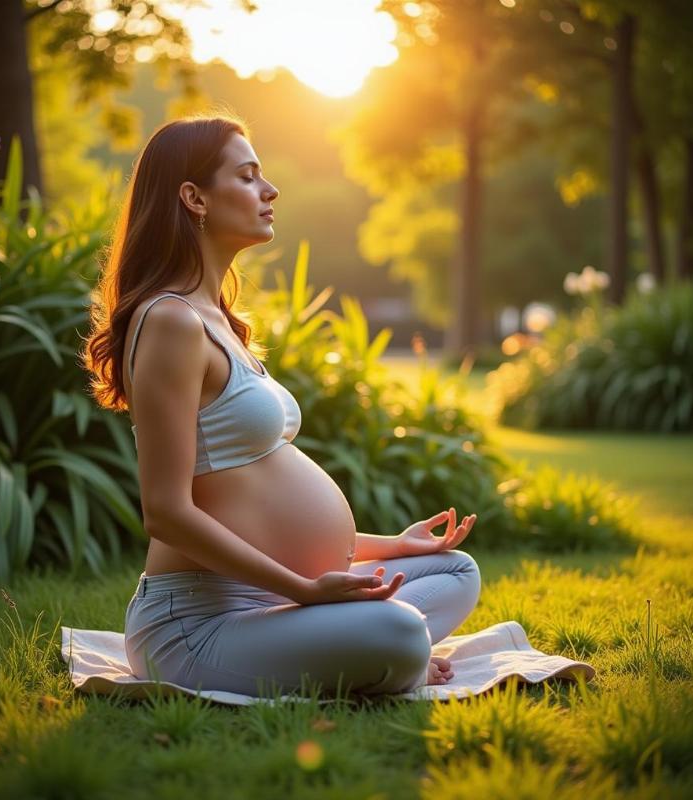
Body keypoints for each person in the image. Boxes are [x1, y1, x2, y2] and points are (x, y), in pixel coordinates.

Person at [83, 112, 481, 699]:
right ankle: (390, 648)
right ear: (193, 197)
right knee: (399, 632)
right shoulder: (169, 320)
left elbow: (252, 513)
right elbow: (166, 512)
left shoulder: (216, 320)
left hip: (278, 595)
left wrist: (394, 545)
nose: (270, 191)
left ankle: (367, 644)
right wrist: (303, 590)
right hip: (199, 623)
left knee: (454, 572)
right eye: (247, 177)